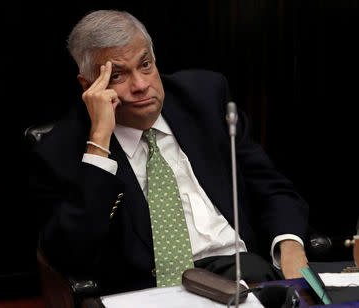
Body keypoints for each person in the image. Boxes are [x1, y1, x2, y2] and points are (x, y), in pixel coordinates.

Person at [29, 9, 309, 295]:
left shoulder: (205, 98)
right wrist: (100, 141)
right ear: (89, 86)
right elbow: (68, 254)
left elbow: (271, 188)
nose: (140, 85)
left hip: (243, 273)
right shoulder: (63, 148)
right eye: (117, 75)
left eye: (145, 65)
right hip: (150, 291)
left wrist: (290, 247)